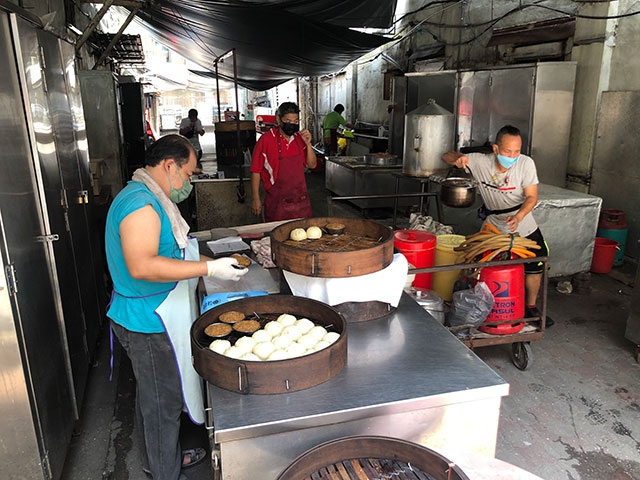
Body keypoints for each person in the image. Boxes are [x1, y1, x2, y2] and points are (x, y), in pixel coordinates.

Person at [105, 134, 248, 480]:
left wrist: (213, 263)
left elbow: (173, 253)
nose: (189, 182)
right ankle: (165, 472)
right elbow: (143, 266)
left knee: (153, 396)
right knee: (162, 405)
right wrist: (208, 270)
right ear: (169, 166)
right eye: (188, 174)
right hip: (148, 322)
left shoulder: (151, 197)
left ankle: (159, 459)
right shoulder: (140, 205)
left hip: (152, 315)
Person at [441, 125, 554, 328]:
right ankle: (478, 304)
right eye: (507, 151)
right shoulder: (479, 162)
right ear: (495, 149)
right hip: (493, 224)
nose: (513, 156)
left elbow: (532, 197)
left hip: (523, 222)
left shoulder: (526, 164)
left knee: (537, 261)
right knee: (477, 261)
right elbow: (445, 156)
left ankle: (530, 307)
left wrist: (519, 217)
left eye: (517, 151)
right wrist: (458, 158)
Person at [250, 101, 317, 221]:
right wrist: (256, 198)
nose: (292, 124)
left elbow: (312, 165)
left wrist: (308, 144)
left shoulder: (299, 139)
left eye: (295, 121)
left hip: (301, 202)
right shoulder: (266, 140)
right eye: (288, 121)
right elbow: (256, 171)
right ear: (279, 120)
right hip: (277, 203)